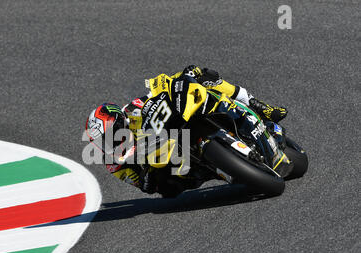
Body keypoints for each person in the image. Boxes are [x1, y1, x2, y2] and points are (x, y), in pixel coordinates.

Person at [85, 65, 288, 197]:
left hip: (178, 124)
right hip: (174, 165)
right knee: (166, 188)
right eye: (106, 140)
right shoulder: (113, 163)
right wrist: (147, 177)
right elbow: (142, 185)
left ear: (121, 119)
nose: (113, 140)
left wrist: (183, 77)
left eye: (114, 132)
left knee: (204, 78)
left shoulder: (134, 108)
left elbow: (158, 88)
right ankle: (216, 167)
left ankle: (256, 104)